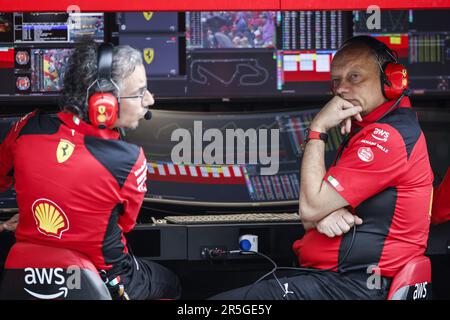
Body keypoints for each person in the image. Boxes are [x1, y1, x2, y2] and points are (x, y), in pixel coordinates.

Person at [210, 35, 433, 300]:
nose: (341, 89)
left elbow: (309, 207)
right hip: (335, 279)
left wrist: (317, 128)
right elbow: (311, 215)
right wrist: (321, 214)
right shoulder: (374, 129)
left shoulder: (387, 138)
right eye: (336, 80)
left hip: (354, 286)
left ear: (391, 81)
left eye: (355, 77)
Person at [0, 43, 181, 300]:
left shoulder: (26, 128)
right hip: (107, 278)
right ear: (103, 103)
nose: (150, 100)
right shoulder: (130, 161)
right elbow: (124, 224)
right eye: (140, 92)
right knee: (172, 281)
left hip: (26, 273)